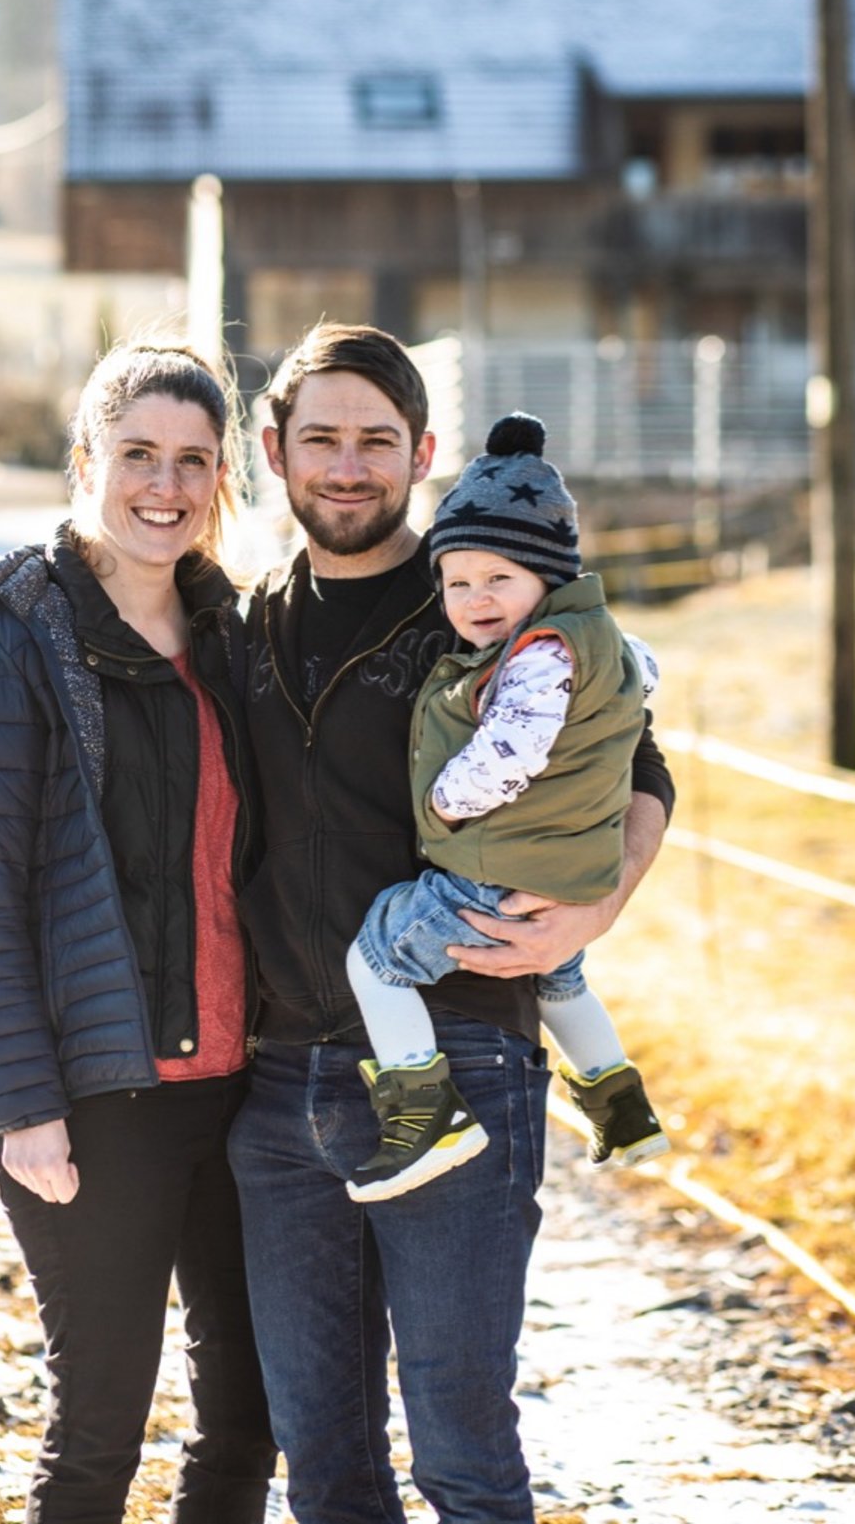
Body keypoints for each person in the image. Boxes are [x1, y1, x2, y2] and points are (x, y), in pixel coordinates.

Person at [227, 322, 674, 1524]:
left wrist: (597, 897)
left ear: (419, 451)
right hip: (278, 1087)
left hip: (463, 1049)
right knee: (320, 1457)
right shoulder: (245, 619)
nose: (346, 464)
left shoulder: (480, 605)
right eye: (319, 436)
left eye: (376, 439)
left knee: (461, 1450)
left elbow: (637, 761)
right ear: (275, 450)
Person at [0, 341, 275, 1524]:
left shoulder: (233, 635)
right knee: (95, 1438)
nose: (163, 486)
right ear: (86, 460)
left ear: (221, 479)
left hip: (245, 1094)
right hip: (97, 1099)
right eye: (136, 455)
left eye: (191, 461)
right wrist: (21, 1107)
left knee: (248, 1426)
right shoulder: (9, 632)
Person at [344, 410, 669, 1205]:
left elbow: (512, 752)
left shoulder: (537, 657)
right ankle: (619, 1104)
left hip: (494, 870)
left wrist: (445, 802)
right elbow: (645, 678)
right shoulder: (607, 645)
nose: (475, 599)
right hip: (564, 869)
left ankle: (424, 1112)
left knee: (376, 956)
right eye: (458, 582)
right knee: (560, 983)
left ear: (547, 578)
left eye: (499, 579)